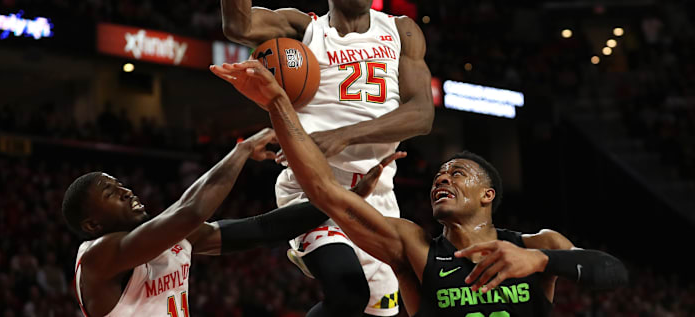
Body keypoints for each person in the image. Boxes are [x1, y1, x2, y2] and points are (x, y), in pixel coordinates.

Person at [210, 60, 630, 317]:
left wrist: (538, 261)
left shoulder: (539, 243)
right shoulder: (413, 247)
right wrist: (278, 105)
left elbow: (613, 273)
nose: (442, 178)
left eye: (458, 172)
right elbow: (323, 192)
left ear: (488, 195)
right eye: (439, 175)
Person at [219, 0, 434, 315]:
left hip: (377, 197)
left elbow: (422, 114)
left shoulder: (401, 31)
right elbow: (237, 23)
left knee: (376, 310)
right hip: (314, 189)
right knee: (346, 291)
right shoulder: (306, 30)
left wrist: (345, 135)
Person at [62, 128, 391, 317]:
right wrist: (243, 150)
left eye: (121, 184)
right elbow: (191, 210)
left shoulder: (169, 238)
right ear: (92, 224)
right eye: (111, 192)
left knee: (349, 299)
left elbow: (261, 228)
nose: (125, 191)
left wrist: (344, 198)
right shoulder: (98, 257)